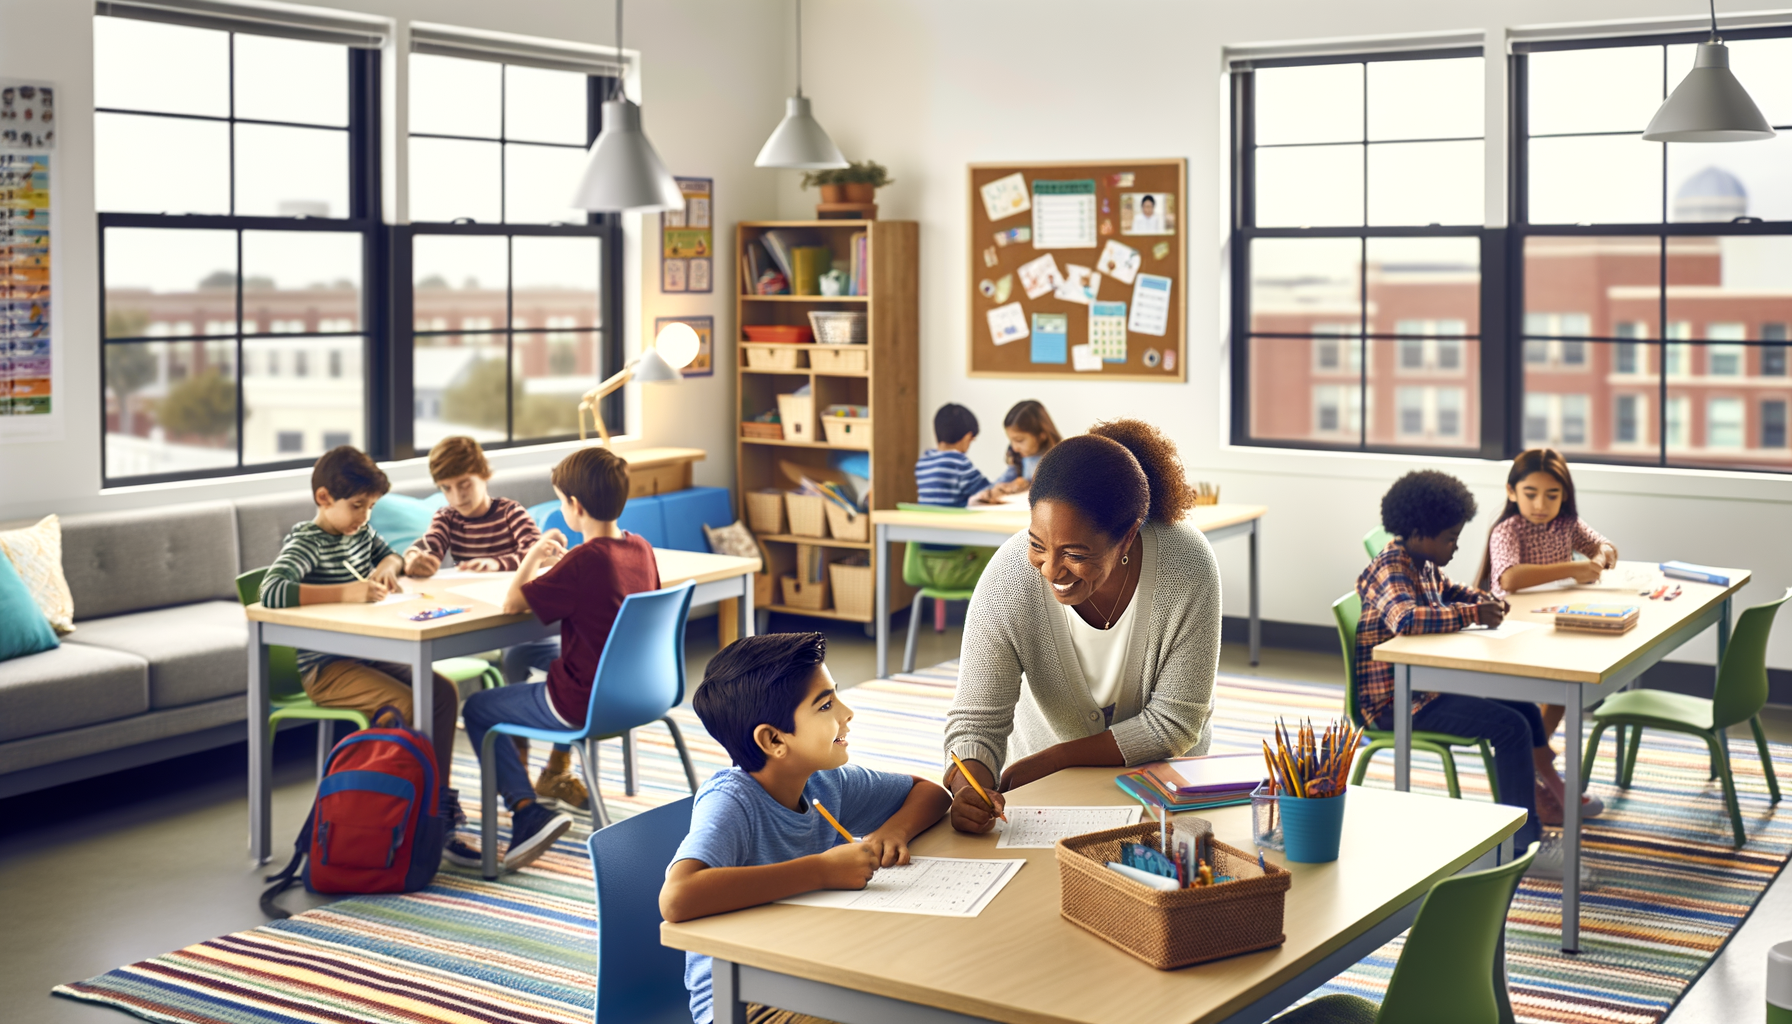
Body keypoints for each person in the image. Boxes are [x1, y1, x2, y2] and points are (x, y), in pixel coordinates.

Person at [944, 419, 1219, 834]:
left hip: (1161, 788)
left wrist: (1057, 759)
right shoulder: (1008, 579)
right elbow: (976, 723)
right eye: (1038, 544)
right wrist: (971, 784)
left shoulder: (1187, 566)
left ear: (1126, 539)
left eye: (1074, 553)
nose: (1051, 569)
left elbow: (1174, 724)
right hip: (1043, 797)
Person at [661, 632, 952, 1024]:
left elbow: (929, 793)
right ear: (774, 739)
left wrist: (893, 832)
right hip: (745, 1002)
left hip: (816, 970)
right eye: (826, 705)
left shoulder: (825, 782)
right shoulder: (731, 802)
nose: (847, 713)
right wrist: (821, 871)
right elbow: (678, 897)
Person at [1355, 470, 1575, 879]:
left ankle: (1533, 808)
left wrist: (1483, 600)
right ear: (1420, 533)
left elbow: (1451, 591)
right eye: (1450, 538)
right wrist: (1474, 614)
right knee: (1511, 728)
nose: (1456, 546)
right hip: (1397, 703)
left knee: (1524, 710)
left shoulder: (1421, 563)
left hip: (1428, 685)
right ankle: (1521, 846)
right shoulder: (1391, 568)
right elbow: (1406, 618)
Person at [447, 447, 658, 872]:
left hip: (583, 702)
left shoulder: (584, 560)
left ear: (574, 506)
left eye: (561, 500)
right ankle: (544, 771)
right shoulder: (640, 548)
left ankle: (527, 811)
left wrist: (534, 556)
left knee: (477, 708)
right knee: (523, 651)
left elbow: (511, 603)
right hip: (638, 693)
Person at [258, 446, 464, 827]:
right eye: (357, 505)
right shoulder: (308, 541)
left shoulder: (361, 532)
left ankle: (437, 800)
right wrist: (344, 592)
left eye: (370, 506)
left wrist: (387, 568)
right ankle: (398, 811)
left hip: (367, 655)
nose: (364, 516)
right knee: (405, 703)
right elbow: (271, 591)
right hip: (327, 669)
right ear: (324, 498)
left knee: (441, 693)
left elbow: (392, 556)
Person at [404, 435, 587, 811]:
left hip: (527, 626)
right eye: (447, 489)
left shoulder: (509, 512)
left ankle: (557, 766)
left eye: (465, 484)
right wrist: (416, 559)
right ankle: (518, 761)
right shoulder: (446, 518)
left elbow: (538, 550)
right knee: (515, 663)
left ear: (483, 475)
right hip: (482, 622)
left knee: (564, 669)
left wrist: (497, 563)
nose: (457, 496)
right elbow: (428, 548)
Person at [1475, 448, 1613, 824]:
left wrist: (1599, 557)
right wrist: (1573, 568)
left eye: (1552, 495)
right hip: (1510, 635)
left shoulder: (1567, 524)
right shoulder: (1508, 530)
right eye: (1531, 493)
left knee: (1570, 679)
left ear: (1564, 496)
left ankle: (1537, 753)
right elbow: (1510, 579)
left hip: (1548, 625)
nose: (1540, 504)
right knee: (1545, 690)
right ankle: (1538, 759)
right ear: (1511, 492)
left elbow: (1603, 546)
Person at [974, 399, 1062, 504]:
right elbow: (1003, 481)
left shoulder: (1059, 459)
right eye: (1011, 440)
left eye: (1019, 440)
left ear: (1041, 435)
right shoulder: (1018, 457)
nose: (1014, 447)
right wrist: (996, 490)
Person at [914, 402, 992, 508]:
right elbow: (986, 491)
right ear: (967, 437)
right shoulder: (958, 461)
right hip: (952, 522)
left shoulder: (923, 462)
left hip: (926, 520)